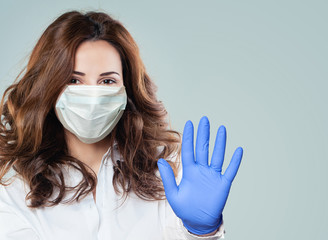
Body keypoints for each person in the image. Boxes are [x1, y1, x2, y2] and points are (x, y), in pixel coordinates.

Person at [0, 10, 243, 240]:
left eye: (107, 81)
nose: (93, 95)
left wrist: (201, 231)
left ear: (127, 91)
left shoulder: (169, 175)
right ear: (48, 88)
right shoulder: (14, 196)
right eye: (74, 80)